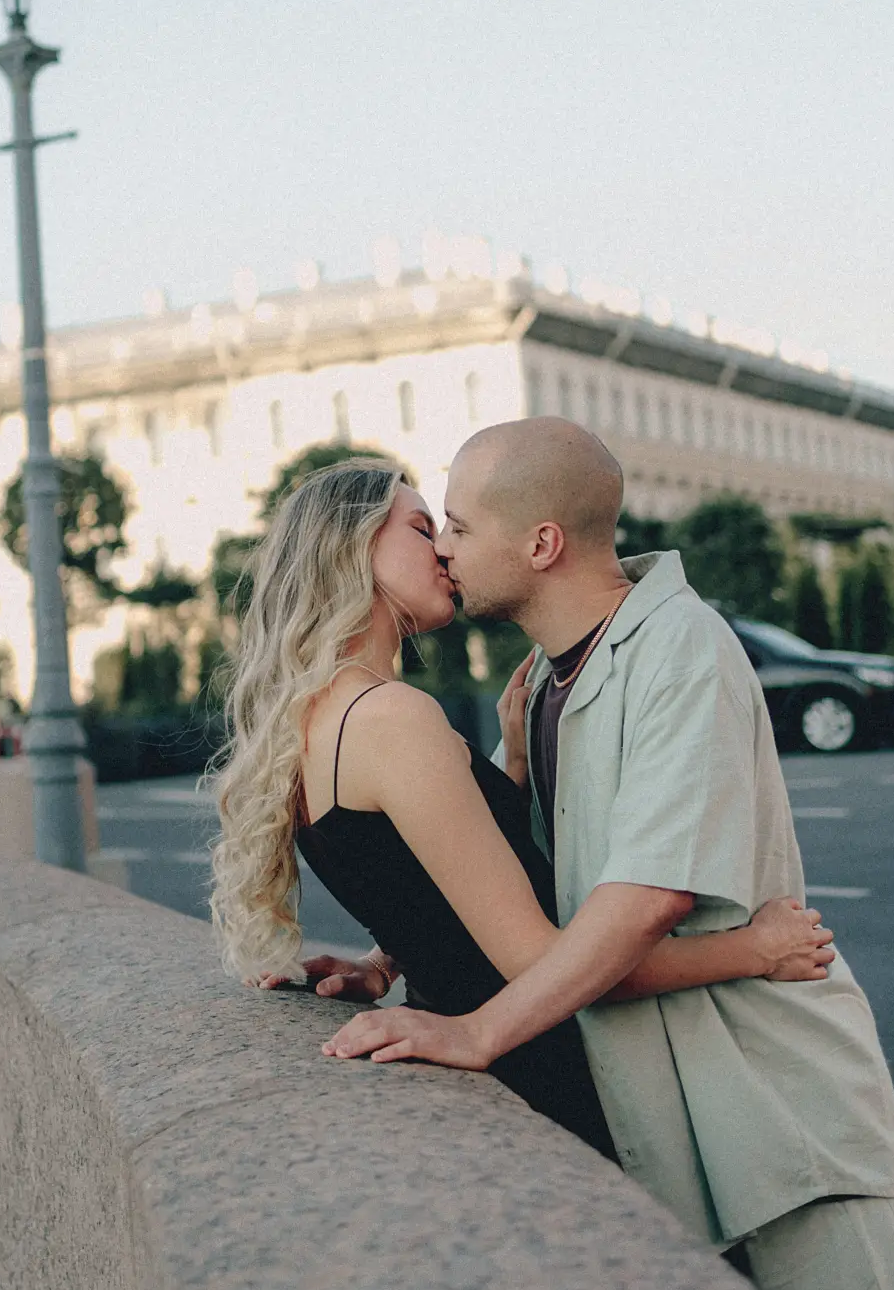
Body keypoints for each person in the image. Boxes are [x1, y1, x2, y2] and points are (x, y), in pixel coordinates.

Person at [324, 421, 894, 1290]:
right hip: (678, 1127)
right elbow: (528, 883)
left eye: (456, 524)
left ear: (542, 541)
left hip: (781, 1122)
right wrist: (389, 951)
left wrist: (478, 1028)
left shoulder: (680, 645)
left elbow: (644, 896)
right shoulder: (545, 682)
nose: (442, 548)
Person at [209, 457, 837, 1162]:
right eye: (422, 529)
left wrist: (386, 960)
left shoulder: (315, 718)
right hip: (533, 1072)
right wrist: (753, 950)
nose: (444, 547)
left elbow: (418, 881)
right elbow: (543, 961)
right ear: (353, 550)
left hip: (468, 1058)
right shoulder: (390, 718)